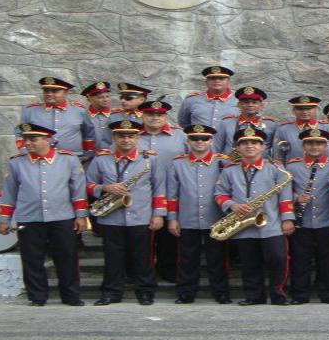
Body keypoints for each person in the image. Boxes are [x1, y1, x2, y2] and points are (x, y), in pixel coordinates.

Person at [0, 123, 89, 306]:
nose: (27, 143)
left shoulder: (68, 160)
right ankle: (37, 297)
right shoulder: (16, 162)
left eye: (33, 139)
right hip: (29, 218)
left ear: (47, 139)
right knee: (32, 258)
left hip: (62, 216)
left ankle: (71, 295)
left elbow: (78, 190)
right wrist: (5, 219)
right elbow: (9, 192)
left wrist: (81, 215)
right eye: (26, 139)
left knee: (67, 257)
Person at [86, 120, 167, 306]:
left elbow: (160, 189)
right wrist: (105, 187)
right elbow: (88, 185)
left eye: (131, 136)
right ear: (114, 137)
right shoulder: (101, 159)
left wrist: (158, 215)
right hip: (111, 217)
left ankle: (145, 292)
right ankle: (111, 292)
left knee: (143, 257)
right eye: (121, 136)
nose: (126, 140)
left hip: (141, 216)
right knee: (112, 258)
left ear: (138, 138)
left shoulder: (150, 159)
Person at [214, 125, 295, 305]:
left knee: (278, 258)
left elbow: (285, 197)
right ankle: (254, 296)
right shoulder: (229, 171)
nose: (250, 146)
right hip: (243, 225)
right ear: (237, 147)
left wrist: (288, 219)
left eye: (254, 143)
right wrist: (232, 205)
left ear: (263, 147)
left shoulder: (276, 170)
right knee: (250, 262)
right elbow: (219, 194)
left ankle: (278, 294)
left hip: (272, 224)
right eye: (244, 143)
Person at [165, 125, 232, 304]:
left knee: (217, 258)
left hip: (216, 219)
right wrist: (172, 219)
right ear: (188, 141)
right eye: (195, 139)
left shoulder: (223, 162)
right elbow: (172, 195)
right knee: (187, 259)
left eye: (204, 138)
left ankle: (221, 292)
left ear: (211, 141)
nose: (200, 142)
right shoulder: (178, 163)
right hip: (187, 219)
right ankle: (186, 293)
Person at [285, 128, 329, 304]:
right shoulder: (292, 166)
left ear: (326, 145)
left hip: (327, 220)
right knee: (300, 260)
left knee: (328, 260)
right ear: (304, 146)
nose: (314, 146)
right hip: (302, 221)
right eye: (310, 143)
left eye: (319, 143)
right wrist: (296, 198)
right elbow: (284, 191)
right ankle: (300, 295)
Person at [138, 99, 188, 282]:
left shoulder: (181, 136)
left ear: (166, 116)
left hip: (173, 194)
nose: (154, 118)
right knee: (143, 239)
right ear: (142, 115)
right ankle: (143, 273)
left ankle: (168, 270)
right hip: (140, 197)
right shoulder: (131, 136)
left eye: (159, 115)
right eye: (150, 114)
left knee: (170, 237)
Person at [20, 77, 93, 156]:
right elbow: (20, 134)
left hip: (73, 158)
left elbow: (89, 134)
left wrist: (87, 154)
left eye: (55, 91)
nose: (49, 94)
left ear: (66, 93)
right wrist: (25, 153)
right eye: (46, 91)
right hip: (40, 158)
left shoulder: (79, 110)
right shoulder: (30, 111)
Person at [214, 86, 276, 156]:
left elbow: (276, 151)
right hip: (231, 164)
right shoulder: (226, 123)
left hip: (261, 164)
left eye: (254, 102)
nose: (250, 105)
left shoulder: (271, 125)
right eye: (246, 102)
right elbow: (216, 148)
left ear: (261, 105)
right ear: (239, 105)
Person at [178, 65, 238, 130]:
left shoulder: (239, 101)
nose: (217, 81)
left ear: (228, 82)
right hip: (200, 139)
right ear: (206, 82)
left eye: (221, 78)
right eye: (212, 78)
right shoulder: (191, 100)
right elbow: (184, 124)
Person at [273, 95, 328, 164]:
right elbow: (278, 158)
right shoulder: (283, 130)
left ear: (316, 110)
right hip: (292, 172)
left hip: (324, 171)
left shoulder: (327, 128)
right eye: (300, 109)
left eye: (308, 109)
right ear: (293, 111)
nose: (304, 112)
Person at [81, 81, 114, 152]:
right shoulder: (83, 116)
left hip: (111, 156)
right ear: (89, 98)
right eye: (100, 97)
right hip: (88, 157)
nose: (105, 100)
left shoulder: (116, 115)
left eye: (107, 96)